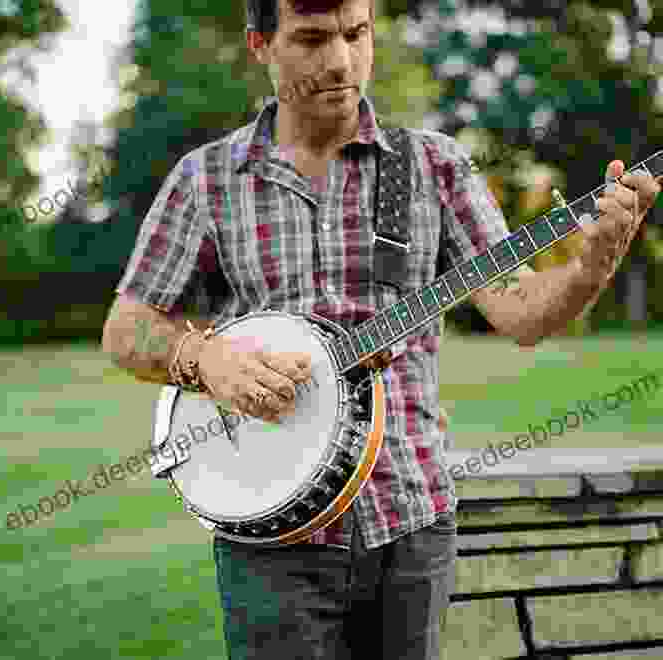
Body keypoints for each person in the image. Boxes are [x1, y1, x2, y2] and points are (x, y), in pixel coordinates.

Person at [101, 0, 662, 657]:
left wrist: (596, 257)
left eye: (355, 33)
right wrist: (204, 359)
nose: (340, 60)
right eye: (311, 39)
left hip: (411, 520)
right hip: (270, 538)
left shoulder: (435, 166)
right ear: (260, 43)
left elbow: (523, 314)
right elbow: (126, 328)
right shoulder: (205, 180)